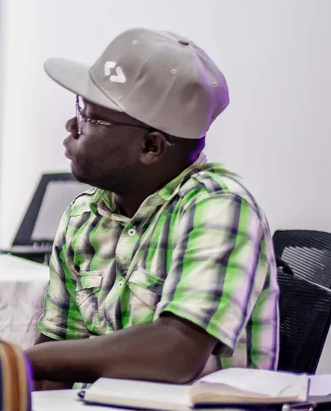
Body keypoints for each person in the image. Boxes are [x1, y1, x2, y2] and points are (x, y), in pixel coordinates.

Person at [27, 28, 278, 386]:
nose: (71, 126)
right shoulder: (83, 217)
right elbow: (56, 361)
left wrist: (24, 360)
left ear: (151, 146)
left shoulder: (220, 206)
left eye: (87, 116)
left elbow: (176, 353)